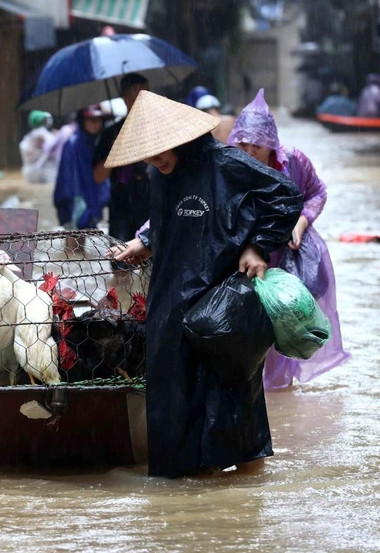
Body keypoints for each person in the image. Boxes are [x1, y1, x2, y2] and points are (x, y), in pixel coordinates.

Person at [107, 91, 303, 478]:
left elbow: (287, 196)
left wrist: (257, 247)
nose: (154, 159)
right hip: (170, 299)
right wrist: (144, 244)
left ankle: (244, 487)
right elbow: (169, 225)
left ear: (181, 138)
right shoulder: (158, 174)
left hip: (222, 301)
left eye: (160, 150)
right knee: (174, 396)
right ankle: (187, 492)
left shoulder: (227, 162)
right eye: (147, 153)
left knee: (231, 392)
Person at [227, 88, 350, 390]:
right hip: (250, 257)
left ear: (271, 144)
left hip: (290, 257)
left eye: (256, 145)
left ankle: (281, 395)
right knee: (253, 329)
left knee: (287, 324)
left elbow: (318, 192)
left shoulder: (294, 161)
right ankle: (260, 393)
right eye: (241, 143)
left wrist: (302, 220)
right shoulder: (230, 166)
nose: (248, 151)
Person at [92, 73, 150, 242]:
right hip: (121, 208)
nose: (144, 101)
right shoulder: (112, 133)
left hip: (154, 207)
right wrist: (116, 149)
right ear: (125, 99)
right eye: (138, 96)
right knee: (120, 262)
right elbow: (98, 176)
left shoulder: (158, 130)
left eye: (148, 95)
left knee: (153, 265)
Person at [53, 105, 110, 235]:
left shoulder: (98, 142)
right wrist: (71, 203)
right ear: (83, 121)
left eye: (98, 120)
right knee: (74, 244)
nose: (95, 124)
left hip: (92, 201)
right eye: (91, 120)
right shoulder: (73, 144)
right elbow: (68, 178)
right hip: (75, 202)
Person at [19, 110, 58, 184]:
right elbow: (56, 147)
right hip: (46, 174)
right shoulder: (44, 135)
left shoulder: (27, 138)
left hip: (29, 175)